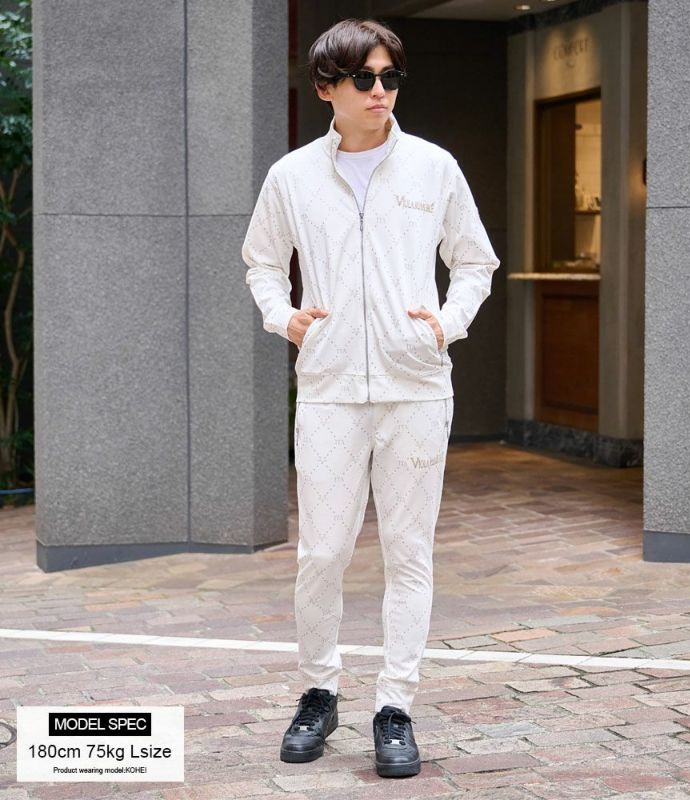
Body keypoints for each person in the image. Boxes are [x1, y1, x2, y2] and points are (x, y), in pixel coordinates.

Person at [241, 17, 499, 779]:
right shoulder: (292, 176)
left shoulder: (434, 168)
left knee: (407, 553)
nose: (381, 90)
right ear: (328, 88)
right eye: (365, 78)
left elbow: (475, 262)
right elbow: (261, 262)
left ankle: (396, 707)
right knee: (322, 553)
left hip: (415, 387)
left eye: (390, 77)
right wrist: (284, 317)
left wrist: (446, 323)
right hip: (328, 390)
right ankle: (319, 692)